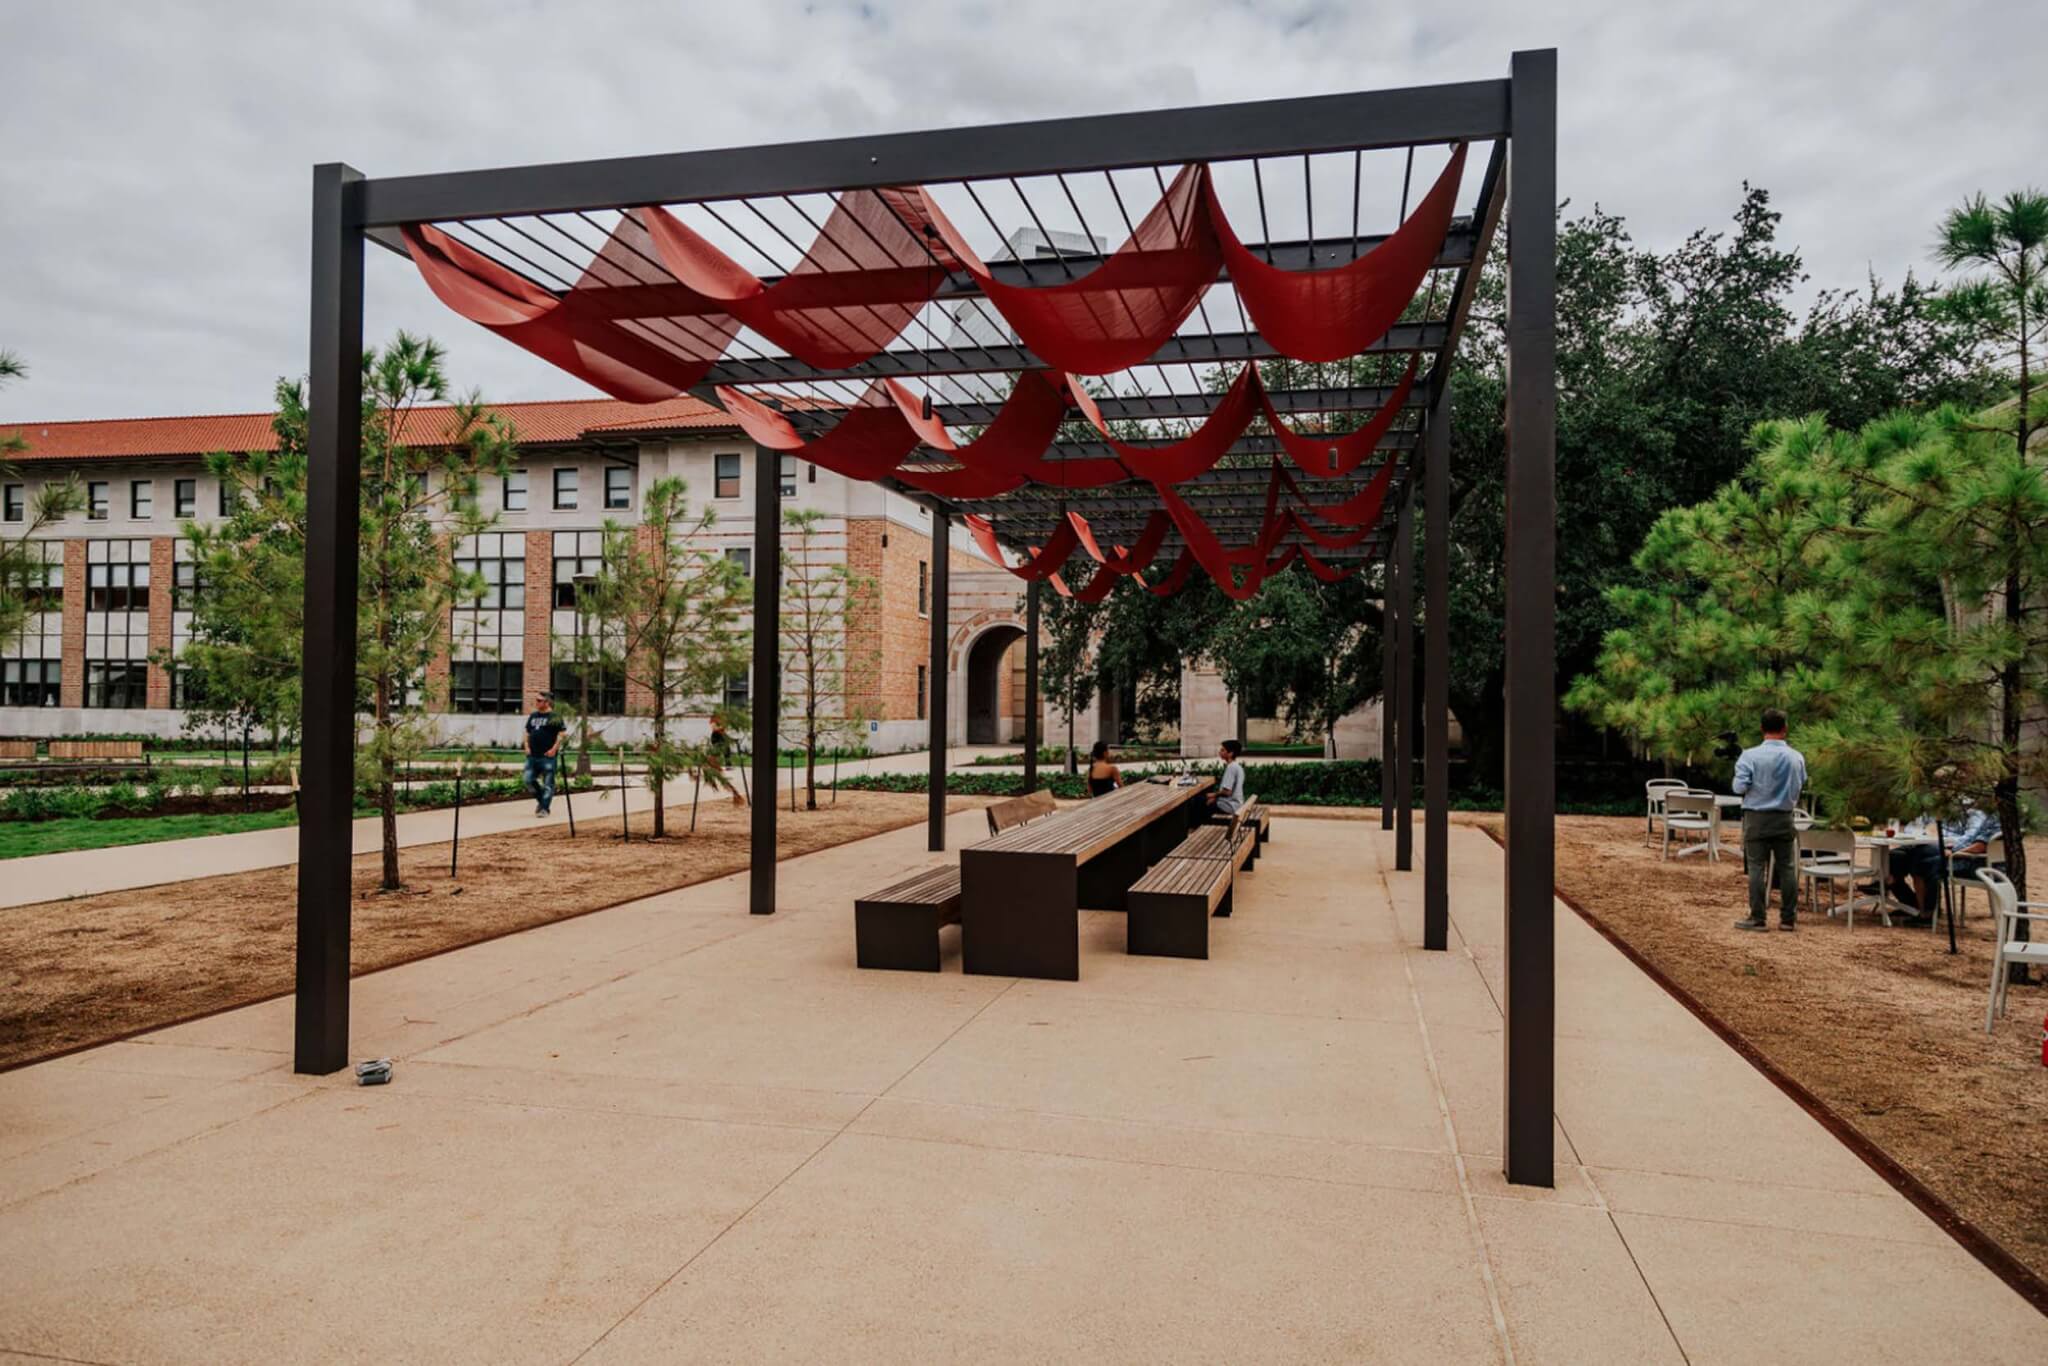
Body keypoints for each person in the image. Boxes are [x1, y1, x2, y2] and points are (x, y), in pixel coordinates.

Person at [1731, 707, 1807, 931]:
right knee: (1787, 868)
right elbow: (1801, 783)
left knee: (1756, 867)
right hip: (1784, 817)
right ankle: (1787, 919)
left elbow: (1739, 787)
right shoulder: (1796, 757)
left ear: (1762, 728)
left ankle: (1757, 917)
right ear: (1785, 729)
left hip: (1757, 817)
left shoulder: (1750, 756)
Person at [1889, 801, 2001, 924]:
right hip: (1970, 858)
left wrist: (1953, 852)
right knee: (1907, 856)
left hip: (1972, 862)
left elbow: (1979, 846)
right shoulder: (1992, 817)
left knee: (1921, 863)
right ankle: (1924, 910)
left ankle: (1927, 913)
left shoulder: (1983, 816)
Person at [523, 691, 566, 816]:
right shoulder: (533, 716)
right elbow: (527, 732)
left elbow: (561, 734)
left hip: (548, 756)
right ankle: (543, 801)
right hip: (532, 756)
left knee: (548, 784)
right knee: (528, 780)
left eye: (539, 700)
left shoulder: (554, 717)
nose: (536, 702)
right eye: (536, 700)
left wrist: (554, 749)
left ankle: (544, 809)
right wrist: (526, 746)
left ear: (547, 702)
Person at [1204, 737, 1247, 825]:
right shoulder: (1238, 767)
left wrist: (1214, 795)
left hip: (1230, 806)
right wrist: (1215, 797)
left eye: (1223, 750)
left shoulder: (1231, 768)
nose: (1220, 752)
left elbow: (1227, 792)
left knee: (1198, 802)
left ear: (1230, 753)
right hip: (1236, 804)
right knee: (1204, 800)